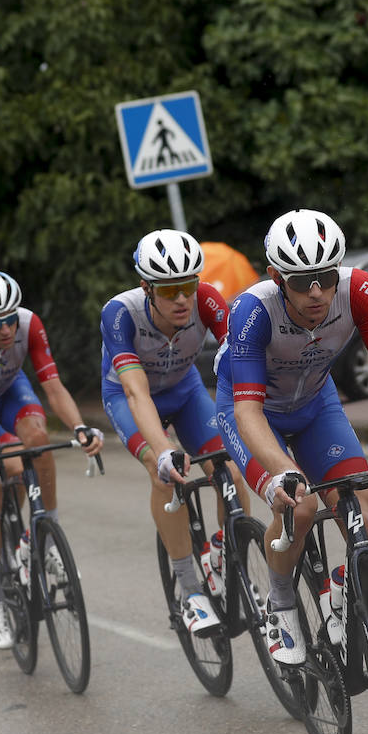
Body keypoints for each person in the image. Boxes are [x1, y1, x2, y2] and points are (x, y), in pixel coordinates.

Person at [217, 209, 368, 706]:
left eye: (325, 278)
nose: (317, 293)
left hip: (316, 406)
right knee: (299, 507)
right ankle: (280, 603)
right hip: (253, 414)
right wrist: (284, 472)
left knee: (361, 510)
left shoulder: (359, 290)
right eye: (302, 282)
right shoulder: (253, 312)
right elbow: (247, 411)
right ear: (278, 278)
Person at [101, 228, 248, 634]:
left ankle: (225, 552)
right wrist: (163, 448)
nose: (182, 299)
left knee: (231, 470)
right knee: (163, 473)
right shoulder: (120, 313)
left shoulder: (207, 301)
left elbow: (241, 361)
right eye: (169, 291)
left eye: (188, 285)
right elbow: (135, 391)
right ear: (147, 287)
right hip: (130, 395)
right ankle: (191, 591)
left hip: (185, 392)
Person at [0, 271, 104, 649]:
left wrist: (80, 427)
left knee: (37, 439)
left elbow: (52, 386)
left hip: (11, 391)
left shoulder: (29, 323)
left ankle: (46, 537)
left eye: (9, 319)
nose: (5, 329)